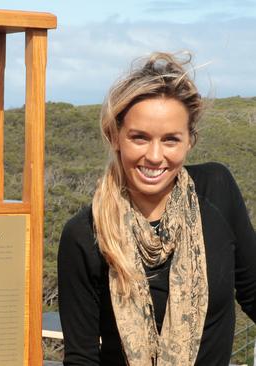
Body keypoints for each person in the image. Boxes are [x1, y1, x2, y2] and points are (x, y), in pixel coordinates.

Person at [57, 52, 256, 365]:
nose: (154, 155)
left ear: (190, 141)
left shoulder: (216, 191)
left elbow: (253, 290)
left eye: (170, 140)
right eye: (139, 137)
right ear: (115, 136)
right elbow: (81, 357)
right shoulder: (85, 234)